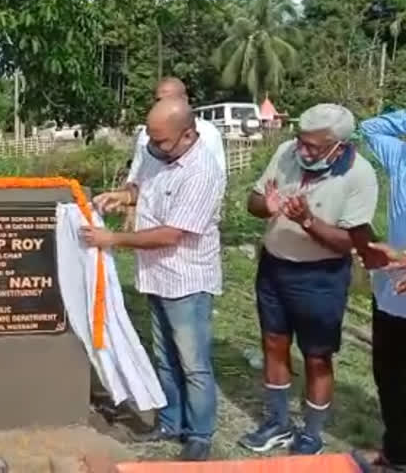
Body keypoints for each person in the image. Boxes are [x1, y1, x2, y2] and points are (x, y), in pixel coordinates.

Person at [81, 98, 225, 461]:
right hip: (157, 276)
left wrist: (112, 239)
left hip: (187, 279)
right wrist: (122, 197)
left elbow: (171, 234)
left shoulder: (202, 171)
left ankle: (200, 434)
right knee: (165, 358)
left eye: (161, 141)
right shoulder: (160, 155)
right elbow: (141, 188)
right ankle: (170, 422)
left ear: (188, 135)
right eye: (152, 139)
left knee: (193, 364)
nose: (154, 147)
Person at [239, 104, 377, 456]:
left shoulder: (359, 176)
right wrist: (266, 207)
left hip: (321, 278)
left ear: (338, 146)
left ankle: (312, 434)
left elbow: (352, 242)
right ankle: (278, 423)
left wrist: (309, 222)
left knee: (317, 357)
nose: (303, 150)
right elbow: (254, 201)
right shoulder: (287, 153)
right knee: (273, 343)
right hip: (274, 268)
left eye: (313, 146)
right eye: (300, 141)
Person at [350, 109, 406, 472]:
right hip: (391, 293)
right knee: (390, 379)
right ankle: (397, 454)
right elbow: (367, 128)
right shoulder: (400, 157)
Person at [125, 77, 226, 190]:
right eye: (159, 100)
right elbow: (134, 178)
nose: (164, 104)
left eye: (170, 99)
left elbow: (218, 180)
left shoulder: (208, 133)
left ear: (185, 99)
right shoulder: (146, 134)